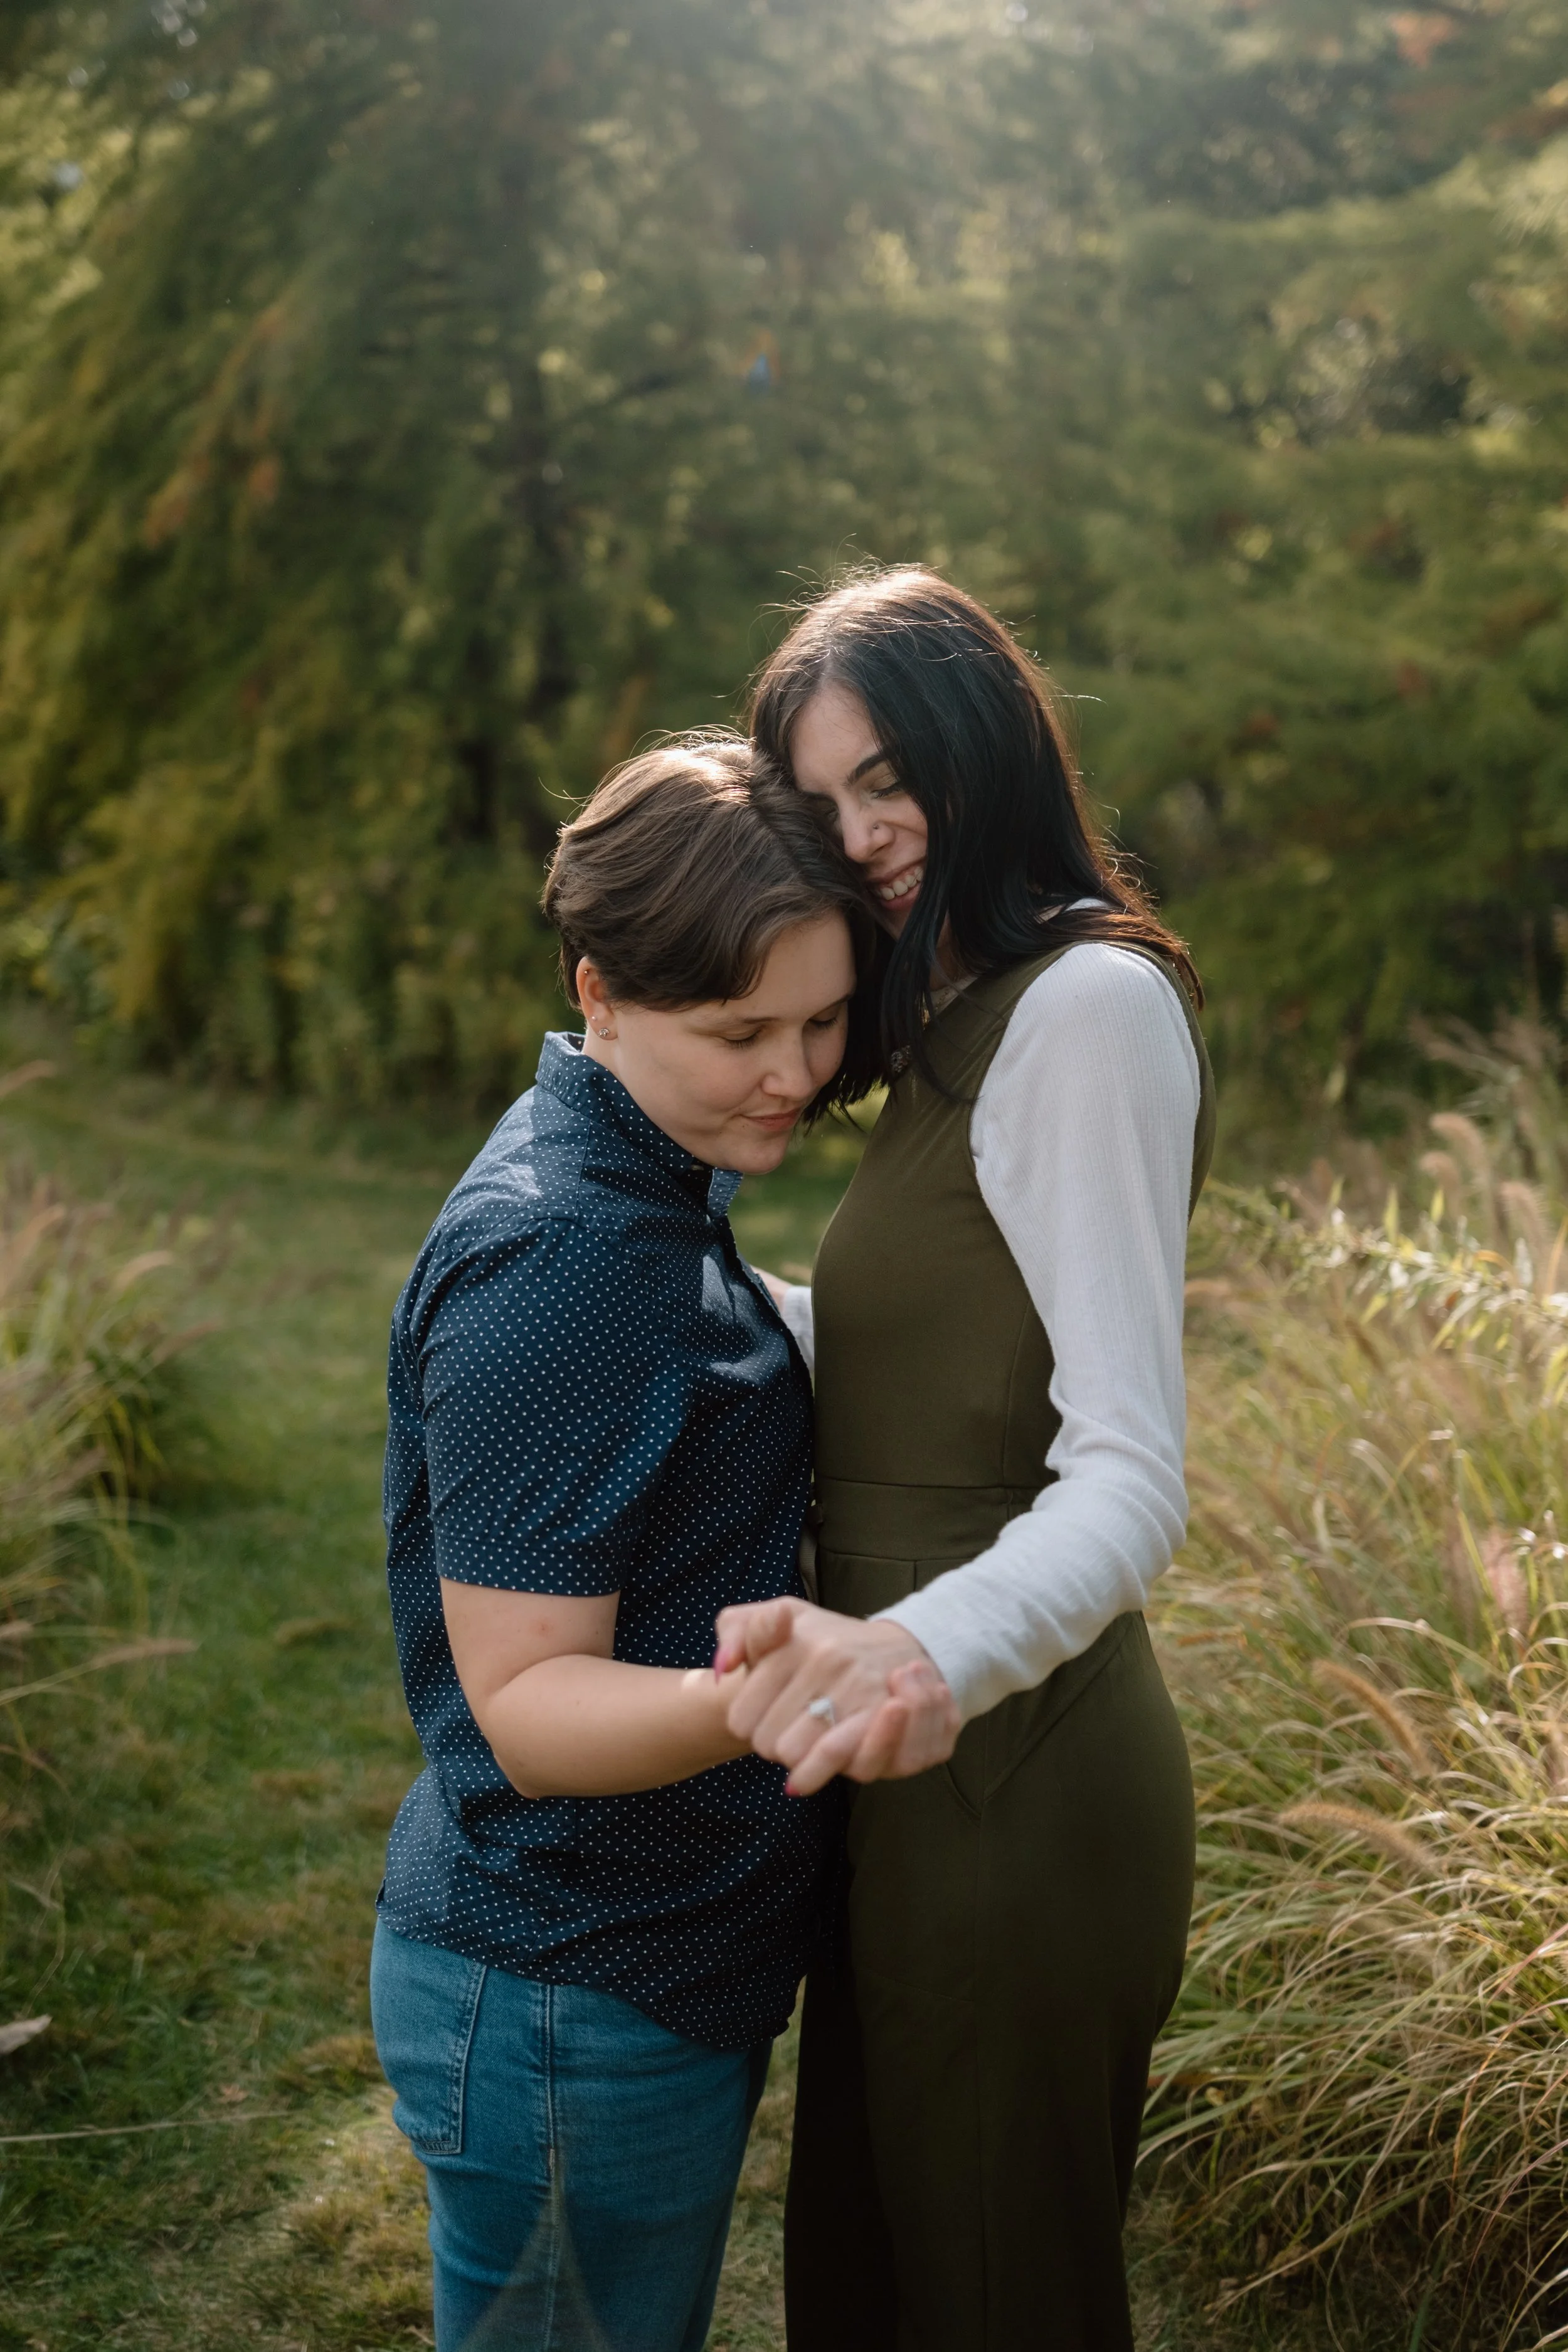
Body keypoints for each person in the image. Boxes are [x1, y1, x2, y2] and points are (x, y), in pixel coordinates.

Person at [713, 568, 1217, 2352]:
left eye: (887, 778)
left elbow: (1128, 1471)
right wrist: (668, 1291)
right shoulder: (957, 1020)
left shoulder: (1085, 1009)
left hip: (1010, 1766)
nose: (857, 836)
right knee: (876, 2279)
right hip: (897, 1759)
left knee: (994, 2298)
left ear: (982, 746)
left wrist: (921, 1650)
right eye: (819, 803)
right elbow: (932, 1360)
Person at [369, 739, 898, 2352]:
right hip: (569, 1992)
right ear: (597, 991)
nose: (794, 1073)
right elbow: (528, 1710)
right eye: (740, 1033)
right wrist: (765, 1692)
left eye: (821, 1021)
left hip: (627, 1970)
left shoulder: (649, 1181)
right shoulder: (568, 1257)